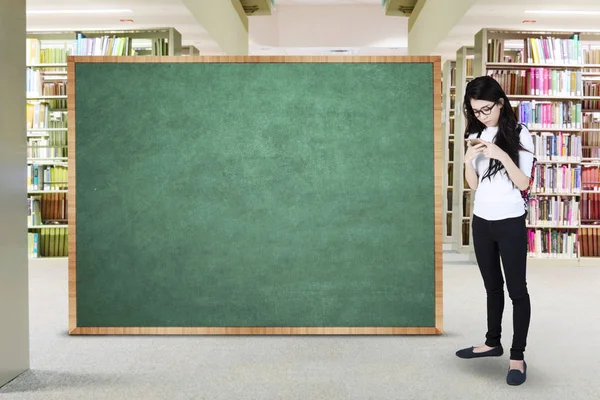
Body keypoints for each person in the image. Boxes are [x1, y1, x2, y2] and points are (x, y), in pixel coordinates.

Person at [455, 75, 534, 386]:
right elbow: (474, 186)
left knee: (518, 291)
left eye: (487, 109)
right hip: (482, 220)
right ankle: (492, 342)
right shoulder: (475, 131)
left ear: (501, 103)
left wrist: (501, 153)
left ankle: (517, 357)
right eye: (475, 111)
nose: (482, 115)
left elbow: (524, 183)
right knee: (492, 287)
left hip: (511, 220)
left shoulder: (519, 133)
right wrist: (467, 161)